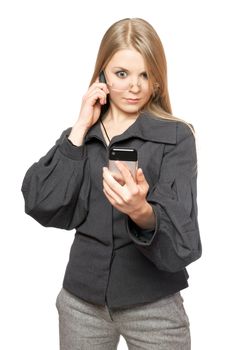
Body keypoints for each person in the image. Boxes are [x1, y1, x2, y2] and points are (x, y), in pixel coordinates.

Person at [21, 17, 202, 350]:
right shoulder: (81, 136)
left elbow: (183, 229)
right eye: (122, 74)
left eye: (145, 74)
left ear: (158, 81)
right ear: (102, 74)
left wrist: (142, 212)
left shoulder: (177, 137)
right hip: (81, 303)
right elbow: (40, 200)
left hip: (153, 304)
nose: (134, 86)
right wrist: (79, 127)